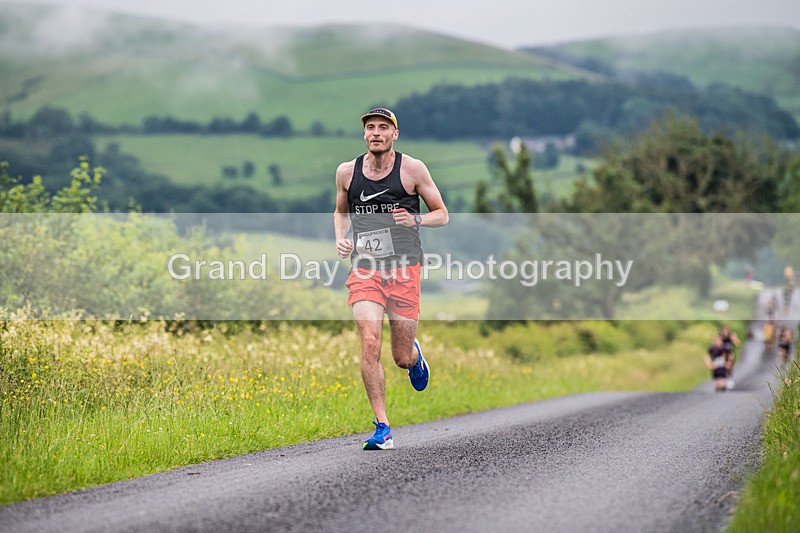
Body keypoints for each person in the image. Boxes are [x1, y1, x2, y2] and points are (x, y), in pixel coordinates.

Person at [334, 107, 448, 450]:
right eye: (370, 128)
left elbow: (442, 214)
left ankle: (414, 354)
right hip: (365, 270)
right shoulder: (347, 172)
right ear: (364, 134)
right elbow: (341, 211)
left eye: (383, 127)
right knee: (369, 342)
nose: (376, 133)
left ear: (394, 134)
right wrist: (341, 237)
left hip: (404, 269)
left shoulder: (412, 169)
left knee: (399, 357)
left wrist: (416, 221)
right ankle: (382, 427)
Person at [719, 323, 740, 389]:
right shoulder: (720, 336)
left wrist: (733, 339)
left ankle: (730, 379)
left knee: (729, 366)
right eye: (724, 329)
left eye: (727, 329)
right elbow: (716, 344)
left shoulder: (731, 335)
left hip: (730, 353)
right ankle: (724, 380)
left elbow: (737, 344)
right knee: (723, 367)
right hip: (722, 354)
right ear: (722, 330)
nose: (725, 331)